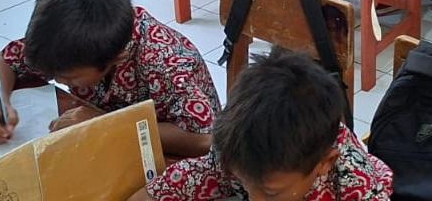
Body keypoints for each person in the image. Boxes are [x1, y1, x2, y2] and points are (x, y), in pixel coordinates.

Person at [0, 0, 219, 158]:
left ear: (118, 57)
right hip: (113, 140)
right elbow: (1, 62)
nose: (60, 81)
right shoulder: (67, 42)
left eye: (70, 80)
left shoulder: (163, 61)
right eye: (53, 75)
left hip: (169, 156)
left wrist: (106, 125)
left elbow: (203, 139)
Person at [131, 50, 392, 201]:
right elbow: (165, 188)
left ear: (324, 164)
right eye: (244, 182)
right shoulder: (239, 150)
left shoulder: (359, 189)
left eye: (270, 193)